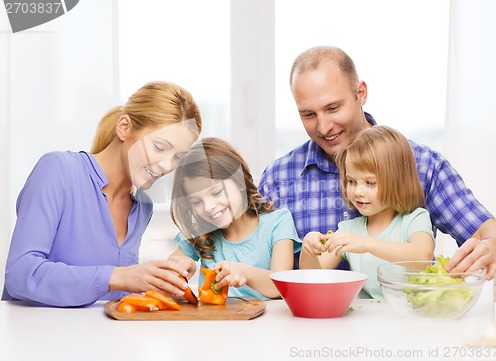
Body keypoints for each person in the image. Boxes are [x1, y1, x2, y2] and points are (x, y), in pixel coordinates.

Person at [258, 45, 496, 279]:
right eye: (308, 114)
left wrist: (493, 248)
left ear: (360, 93)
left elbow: (485, 233)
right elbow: (253, 262)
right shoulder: (278, 178)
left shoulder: (423, 165)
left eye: (333, 108)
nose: (323, 127)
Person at [2, 81, 202, 307]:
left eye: (178, 157)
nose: (167, 165)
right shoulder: (59, 171)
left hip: (104, 340)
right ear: (124, 127)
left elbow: (110, 298)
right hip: (38, 338)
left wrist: (163, 278)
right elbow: (20, 273)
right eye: (159, 147)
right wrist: (118, 276)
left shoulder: (142, 207)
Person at [299, 126, 435, 298]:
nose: (358, 192)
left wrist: (368, 244)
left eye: (370, 183)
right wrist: (308, 250)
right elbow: (313, 277)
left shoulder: (414, 219)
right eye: (352, 181)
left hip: (408, 316)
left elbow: (422, 257)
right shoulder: (349, 231)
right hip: (365, 320)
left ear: (398, 182)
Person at [170, 137, 301, 300]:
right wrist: (179, 271)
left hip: (267, 323)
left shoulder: (278, 222)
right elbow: (164, 280)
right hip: (213, 322)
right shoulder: (199, 232)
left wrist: (243, 272)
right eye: (196, 201)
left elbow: (280, 286)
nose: (208, 206)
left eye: (216, 192)